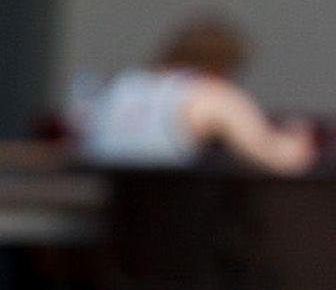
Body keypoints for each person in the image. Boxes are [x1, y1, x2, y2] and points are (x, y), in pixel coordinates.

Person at [76, 16, 317, 173]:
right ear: (226, 64)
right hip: (166, 224)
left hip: (106, 231)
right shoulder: (210, 95)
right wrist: (300, 136)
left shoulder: (124, 86)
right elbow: (278, 158)